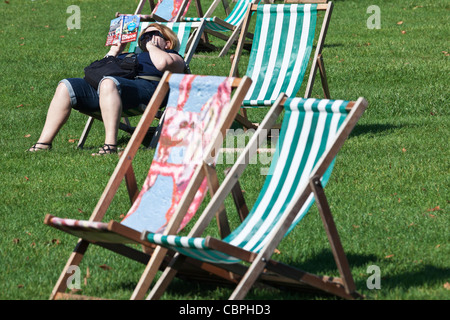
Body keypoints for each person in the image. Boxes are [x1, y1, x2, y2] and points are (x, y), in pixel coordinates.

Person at [28, 23, 186, 154]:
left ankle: (110, 146)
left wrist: (153, 48)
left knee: (109, 82)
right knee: (65, 85)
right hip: (113, 89)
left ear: (167, 42)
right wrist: (114, 52)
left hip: (148, 91)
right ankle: (43, 144)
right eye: (144, 37)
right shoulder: (131, 55)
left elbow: (162, 64)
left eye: (153, 35)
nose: (147, 39)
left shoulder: (174, 56)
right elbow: (98, 72)